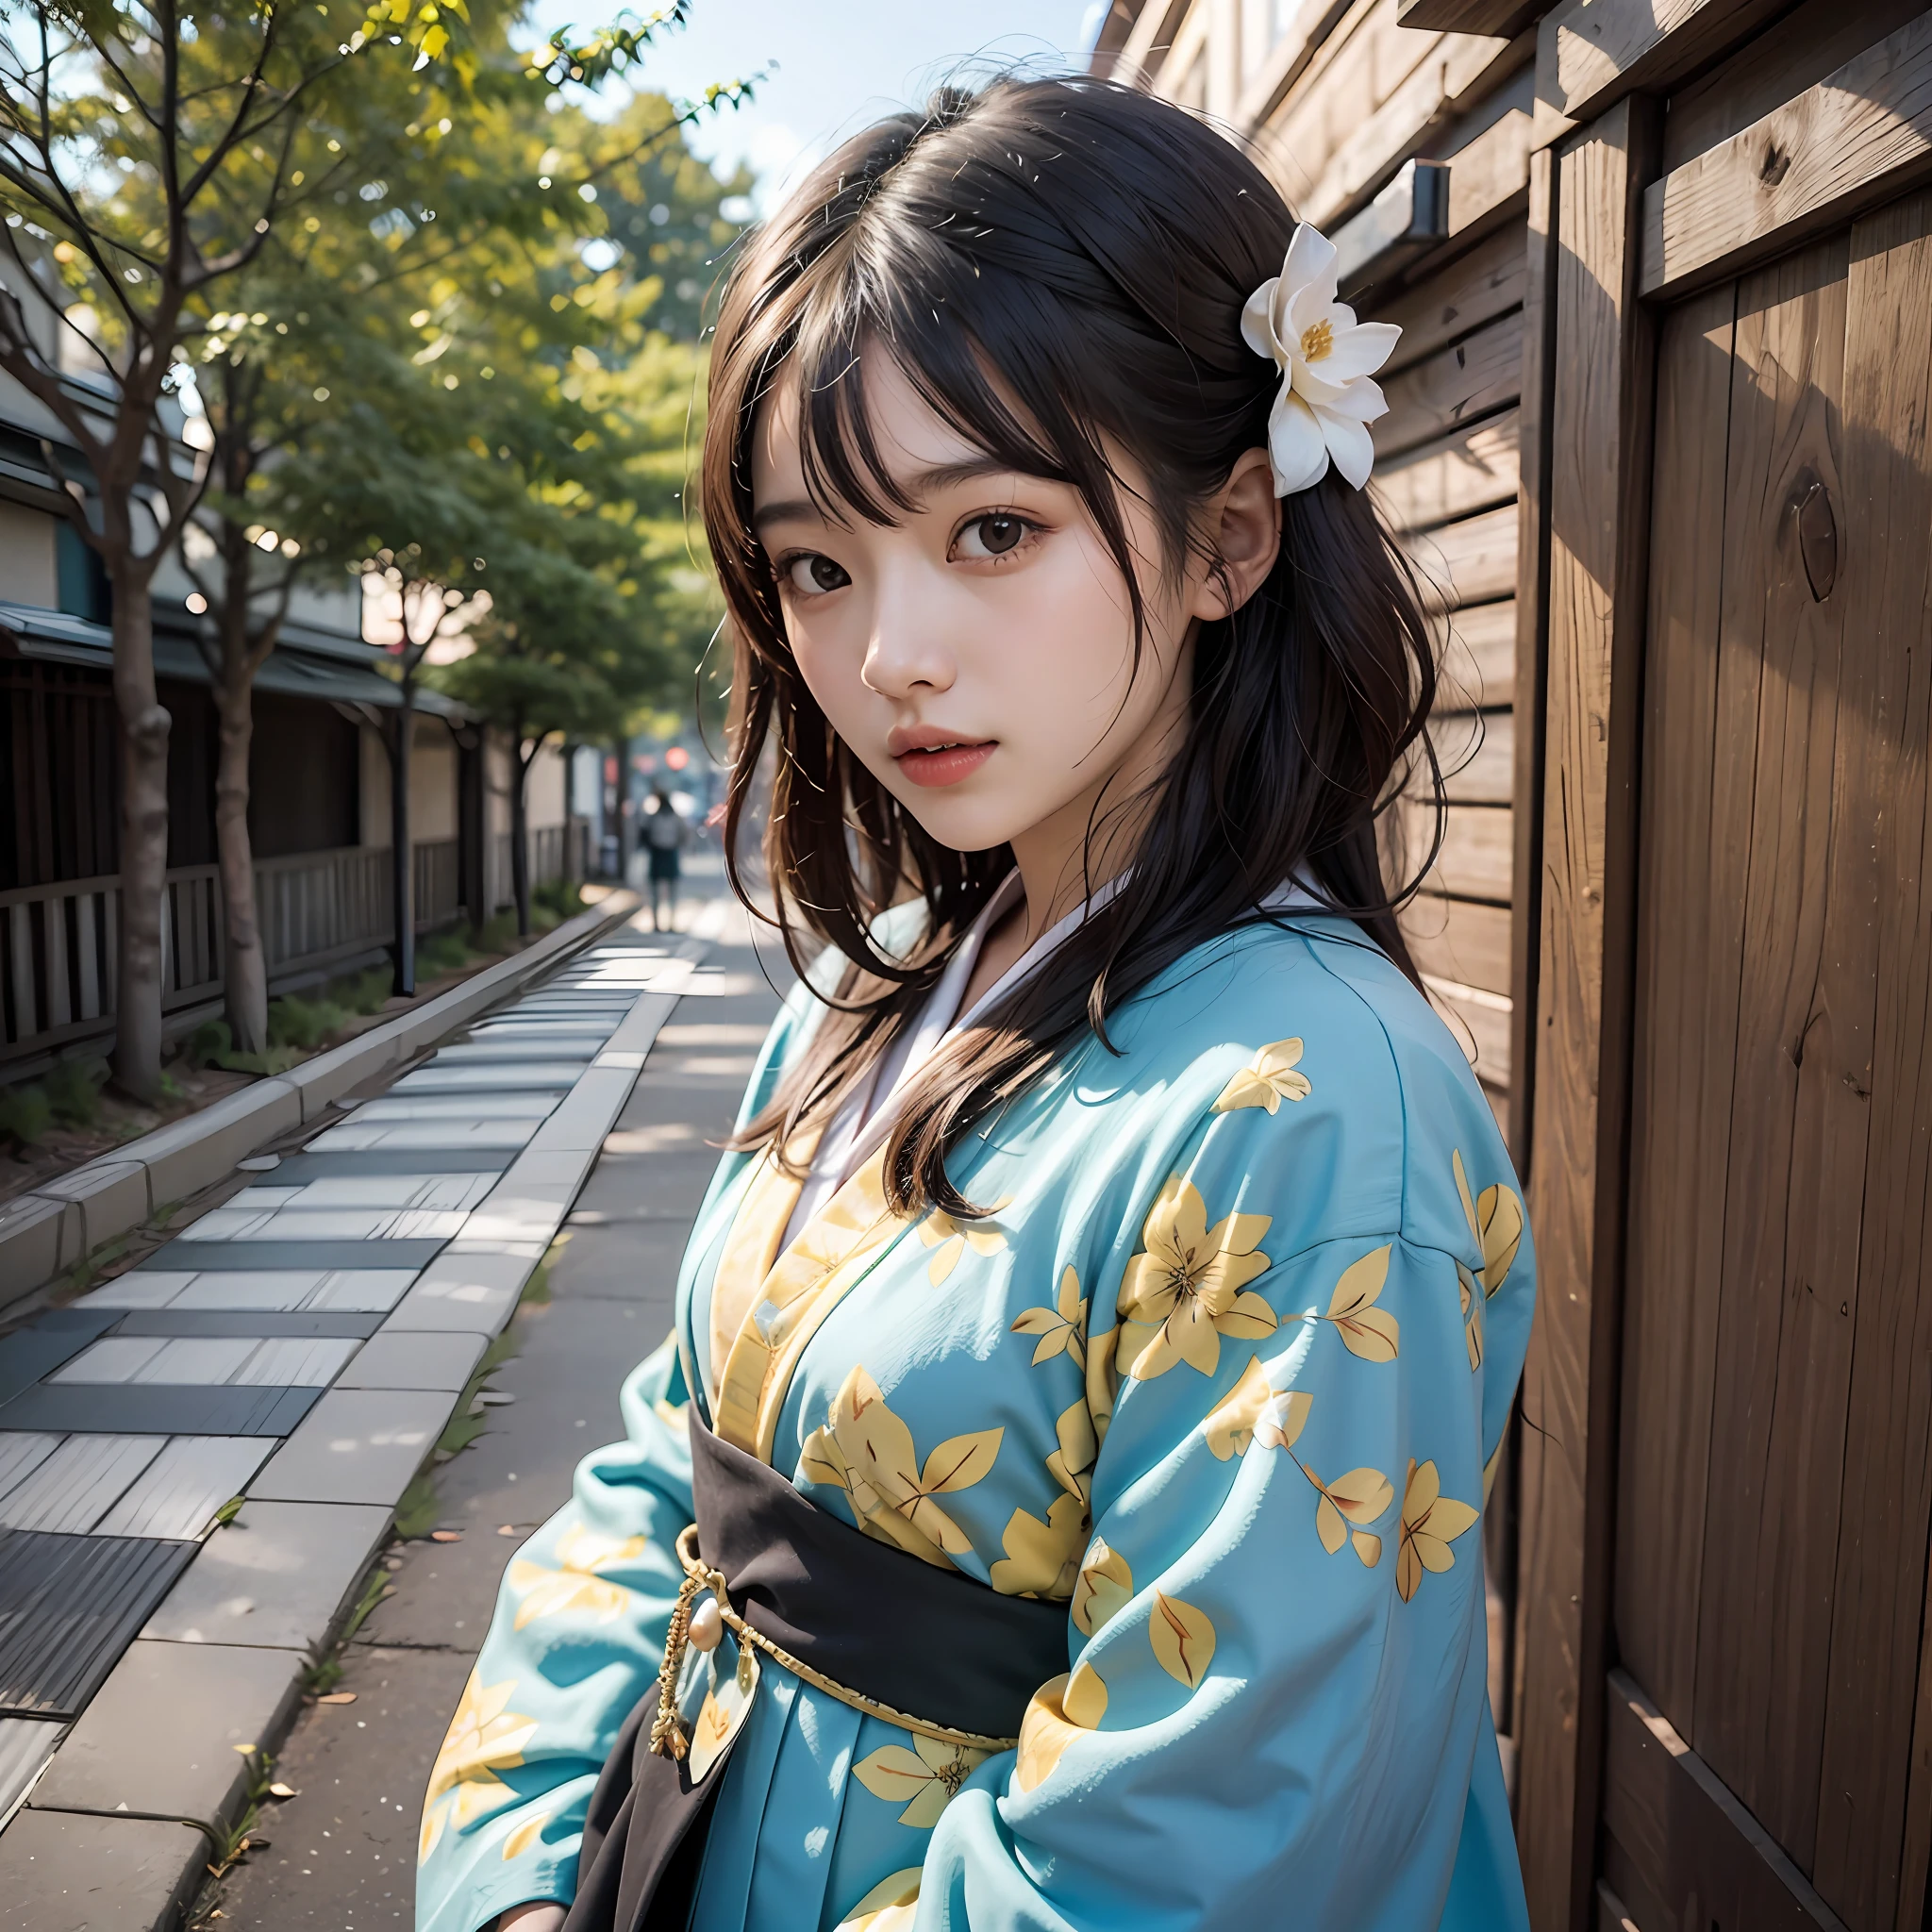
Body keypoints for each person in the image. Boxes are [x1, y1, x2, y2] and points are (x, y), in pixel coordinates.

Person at [417, 75, 1535, 1932]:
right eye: (816, 565)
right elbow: (662, 1465)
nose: (885, 653)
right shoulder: (880, 992)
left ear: (1228, 536)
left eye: (991, 530)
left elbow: (1200, 1840)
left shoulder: (1317, 1103)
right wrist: (521, 1871)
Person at [643, 786, 689, 933]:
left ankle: (665, 923)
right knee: (665, 891)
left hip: (665, 852)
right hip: (663, 852)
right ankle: (662, 923)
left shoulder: (656, 818)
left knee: (663, 891)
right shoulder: (659, 817)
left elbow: (683, 834)